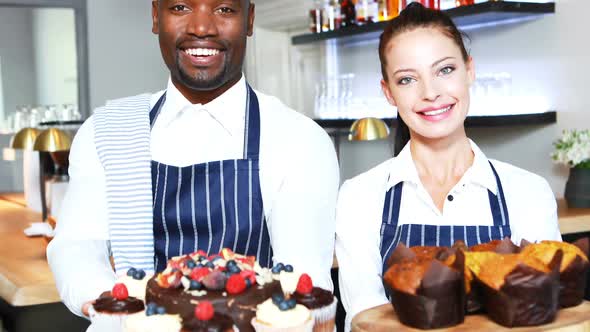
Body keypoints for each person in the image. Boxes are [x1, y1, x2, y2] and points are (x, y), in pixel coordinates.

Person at [47, 0, 339, 319]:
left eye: (225, 9)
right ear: (156, 16)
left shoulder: (299, 138)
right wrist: (109, 302)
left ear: (250, 20)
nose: (202, 27)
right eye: (181, 7)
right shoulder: (107, 130)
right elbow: (78, 244)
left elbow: (302, 272)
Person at [335, 3, 560, 330]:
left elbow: (542, 318)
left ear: (469, 71)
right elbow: (366, 320)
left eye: (444, 70)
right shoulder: (359, 197)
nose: (431, 93)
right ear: (388, 92)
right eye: (408, 79)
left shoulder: (527, 192)